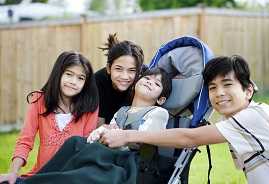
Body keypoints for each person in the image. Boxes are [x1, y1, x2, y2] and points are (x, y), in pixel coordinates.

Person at [101, 55, 269, 184]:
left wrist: (127, 135)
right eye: (212, 88)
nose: (219, 93)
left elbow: (190, 138)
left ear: (248, 91)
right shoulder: (239, 122)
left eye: (227, 84)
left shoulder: (256, 116)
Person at [16, 67, 172, 184]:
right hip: (107, 153)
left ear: (161, 99)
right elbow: (105, 134)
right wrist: (103, 132)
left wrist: (117, 134)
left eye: (156, 83)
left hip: (128, 161)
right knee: (75, 142)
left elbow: (146, 140)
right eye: (147, 79)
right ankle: (38, 179)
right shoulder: (122, 110)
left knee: (84, 173)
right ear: (136, 83)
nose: (150, 83)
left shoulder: (157, 112)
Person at [0, 51, 99, 184]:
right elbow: (25, 140)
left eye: (80, 78)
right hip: (42, 175)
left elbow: (87, 148)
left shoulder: (90, 107)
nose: (73, 82)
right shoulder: (39, 100)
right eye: (69, 74)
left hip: (73, 177)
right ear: (58, 74)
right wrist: (13, 172)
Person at [94, 33, 145, 125]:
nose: (124, 76)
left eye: (131, 70)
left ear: (139, 71)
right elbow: (99, 122)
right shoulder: (98, 81)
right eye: (118, 69)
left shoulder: (145, 79)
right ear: (109, 68)